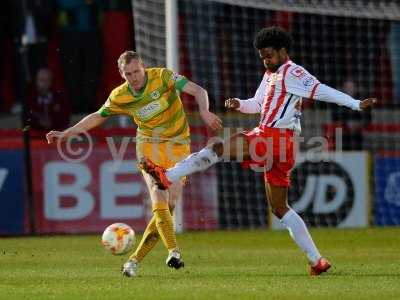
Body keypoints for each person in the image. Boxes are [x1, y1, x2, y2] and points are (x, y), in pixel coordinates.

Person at [139, 27, 377, 276]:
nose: (266, 60)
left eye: (269, 55)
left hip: (273, 137)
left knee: (217, 147)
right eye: (262, 57)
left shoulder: (293, 72)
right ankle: (317, 261)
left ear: (283, 51)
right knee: (279, 208)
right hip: (284, 147)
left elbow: (322, 90)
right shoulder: (271, 74)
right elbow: (258, 104)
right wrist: (240, 104)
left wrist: (355, 104)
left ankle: (167, 176)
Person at [46, 50, 222, 277]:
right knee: (158, 194)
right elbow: (98, 116)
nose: (134, 78)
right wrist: (68, 133)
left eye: (137, 72)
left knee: (168, 208)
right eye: (128, 74)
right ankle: (173, 251)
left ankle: (134, 261)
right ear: (122, 74)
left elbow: (198, 90)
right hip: (149, 145)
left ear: (143, 67)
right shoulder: (120, 96)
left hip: (178, 144)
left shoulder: (163, 77)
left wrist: (204, 110)